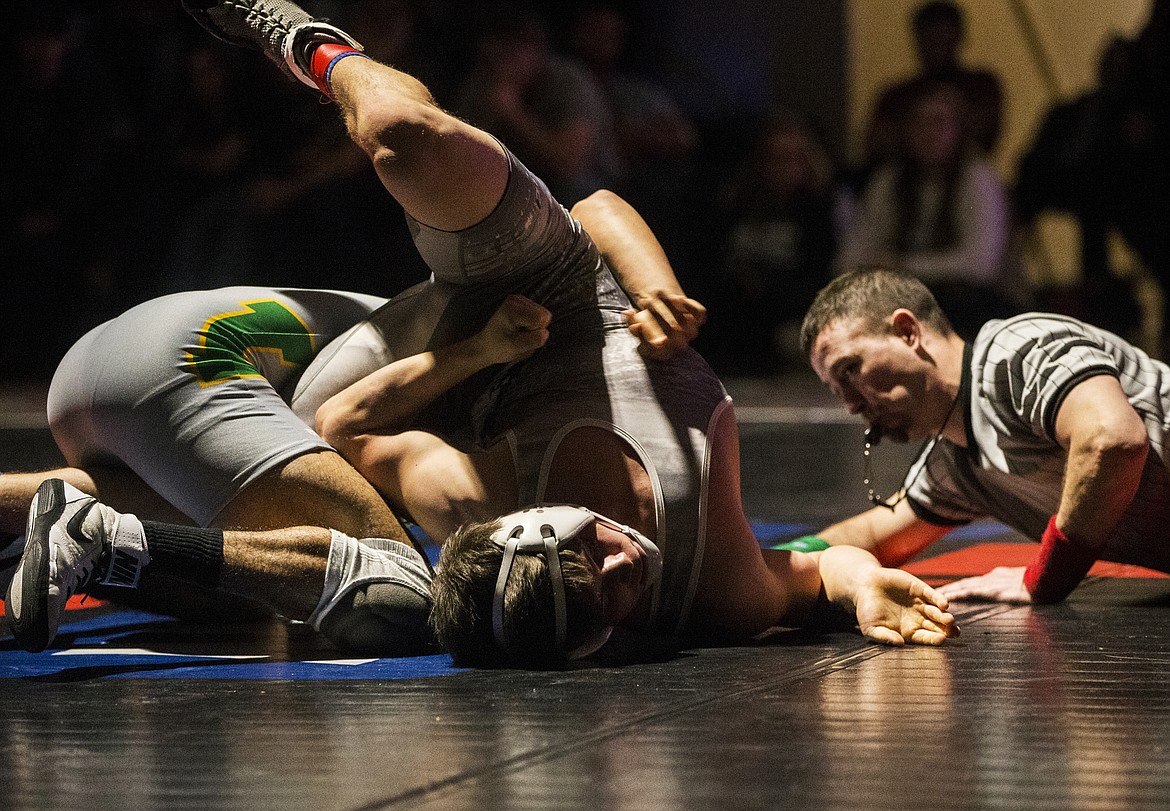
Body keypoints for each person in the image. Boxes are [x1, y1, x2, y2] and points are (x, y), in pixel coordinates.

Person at [4, 0, 957, 665]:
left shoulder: (477, 501)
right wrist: (856, 580)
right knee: (389, 589)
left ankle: (83, 528)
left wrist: (471, 356)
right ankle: (318, 47)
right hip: (197, 367)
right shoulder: (708, 590)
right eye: (609, 592)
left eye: (595, 584)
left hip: (179, 382)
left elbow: (346, 431)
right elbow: (803, 575)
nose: (625, 568)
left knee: (372, 581)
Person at [799, 267, 1170, 605]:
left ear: (907, 331)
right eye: (836, 389)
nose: (850, 404)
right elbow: (871, 534)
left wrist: (1044, 577)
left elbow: (1111, 441)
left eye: (850, 369)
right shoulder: (955, 463)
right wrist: (771, 559)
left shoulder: (1017, 352)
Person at [836, 80, 1022, 340]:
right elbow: (851, 255)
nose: (929, 132)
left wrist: (902, 265)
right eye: (919, 123)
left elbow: (979, 265)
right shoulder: (890, 181)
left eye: (939, 122)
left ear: (959, 129)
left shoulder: (977, 179)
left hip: (975, 303)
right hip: (906, 297)